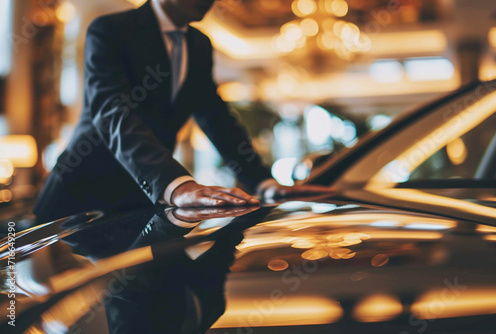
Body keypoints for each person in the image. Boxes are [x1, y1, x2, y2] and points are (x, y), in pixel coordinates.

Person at [33, 0, 332, 222]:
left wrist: (262, 182)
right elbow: (113, 113)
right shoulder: (110, 30)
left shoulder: (199, 44)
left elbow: (216, 119)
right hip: (79, 195)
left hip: (144, 202)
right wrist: (175, 185)